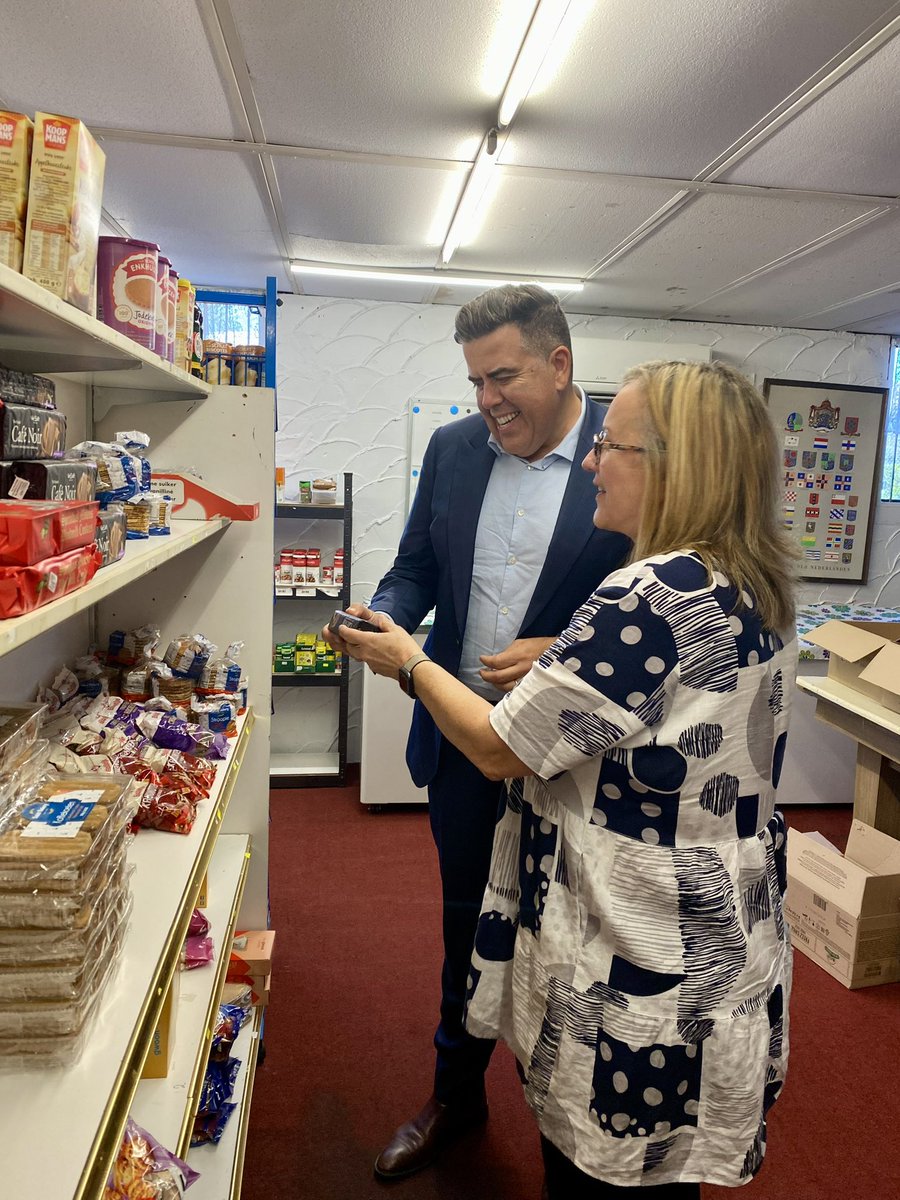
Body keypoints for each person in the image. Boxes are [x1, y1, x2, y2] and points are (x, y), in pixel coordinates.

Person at [338, 359, 797, 1197]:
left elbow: (496, 745)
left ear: (671, 466)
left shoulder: (647, 594)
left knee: (598, 1168)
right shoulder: (755, 585)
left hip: (633, 947)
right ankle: (457, 1097)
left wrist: (406, 661)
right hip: (715, 934)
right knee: (662, 1169)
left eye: (612, 446)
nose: (592, 460)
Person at [324, 284, 630, 1179]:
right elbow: (416, 565)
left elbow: (659, 595)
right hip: (463, 742)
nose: (489, 401)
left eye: (505, 377)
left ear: (559, 364)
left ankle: (568, 1119)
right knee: (467, 925)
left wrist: (565, 647)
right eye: (475, 381)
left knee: (574, 937)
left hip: (580, 762)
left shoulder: (625, 456)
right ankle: (456, 1097)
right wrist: (384, 619)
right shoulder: (455, 448)